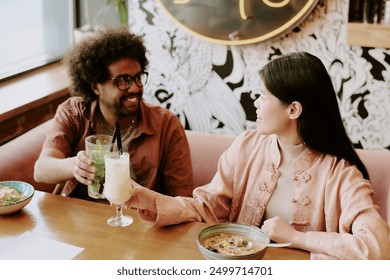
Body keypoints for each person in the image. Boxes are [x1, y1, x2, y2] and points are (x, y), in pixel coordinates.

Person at [125, 52, 390, 259]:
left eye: (262, 96)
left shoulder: (341, 174)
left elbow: (378, 249)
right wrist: (150, 200)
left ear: (293, 110)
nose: (255, 103)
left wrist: (298, 238)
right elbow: (208, 208)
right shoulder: (247, 146)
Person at [34, 27, 194, 200]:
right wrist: (75, 165)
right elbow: (41, 170)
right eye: (122, 81)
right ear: (96, 86)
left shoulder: (166, 125)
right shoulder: (74, 113)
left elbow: (182, 198)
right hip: (78, 218)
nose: (134, 88)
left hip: (136, 220)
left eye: (138, 77)